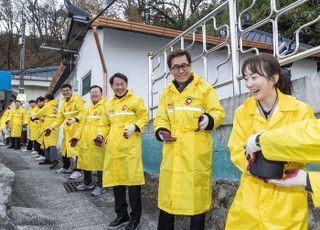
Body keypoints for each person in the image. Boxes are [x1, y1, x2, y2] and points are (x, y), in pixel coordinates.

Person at [226, 53, 315, 230]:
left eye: (254, 77)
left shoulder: (299, 110)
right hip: (251, 195)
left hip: (286, 197)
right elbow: (236, 149)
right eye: (246, 78)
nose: (249, 84)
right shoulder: (242, 112)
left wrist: (280, 161)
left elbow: (307, 147)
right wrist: (252, 168)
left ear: (273, 78)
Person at [154, 49, 226, 230]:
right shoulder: (166, 93)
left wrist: (208, 119)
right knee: (168, 199)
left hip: (196, 149)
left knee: (196, 200)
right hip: (173, 148)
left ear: (190, 66)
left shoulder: (204, 88)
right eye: (176, 67)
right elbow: (161, 118)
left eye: (184, 65)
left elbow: (218, 112)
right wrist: (162, 130)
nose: (181, 70)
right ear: (170, 70)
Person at [95, 73, 148, 230]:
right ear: (112, 87)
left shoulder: (136, 100)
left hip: (130, 149)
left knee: (133, 184)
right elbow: (104, 124)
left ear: (126, 84)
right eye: (116, 84)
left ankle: (135, 218)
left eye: (122, 83)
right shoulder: (108, 105)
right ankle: (121, 215)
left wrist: (135, 126)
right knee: (116, 183)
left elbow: (144, 117)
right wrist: (100, 135)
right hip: (113, 149)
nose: (119, 87)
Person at [245, 119, 320, 207]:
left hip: (288, 206)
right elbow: (236, 151)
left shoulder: (301, 109)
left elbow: (312, 137)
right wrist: (308, 180)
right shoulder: (243, 111)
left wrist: (262, 141)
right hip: (249, 201)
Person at [71, 85, 107, 196]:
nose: (94, 94)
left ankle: (101, 186)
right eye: (92, 93)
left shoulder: (106, 106)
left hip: (98, 140)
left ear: (101, 94)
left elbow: (106, 124)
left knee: (100, 163)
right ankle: (88, 183)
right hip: (85, 140)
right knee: (85, 161)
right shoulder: (88, 108)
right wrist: (76, 137)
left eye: (96, 92)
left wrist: (102, 136)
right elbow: (82, 125)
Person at [45, 83, 85, 179]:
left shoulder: (77, 100)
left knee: (76, 150)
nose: (65, 92)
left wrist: (75, 119)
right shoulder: (63, 104)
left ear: (71, 90)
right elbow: (60, 118)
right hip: (67, 130)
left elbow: (83, 112)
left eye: (67, 90)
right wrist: (51, 127)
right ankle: (65, 166)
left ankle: (78, 170)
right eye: (63, 91)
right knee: (65, 148)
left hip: (76, 129)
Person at [32, 95, 60, 168]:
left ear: (47, 100)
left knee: (51, 144)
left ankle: (55, 160)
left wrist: (33, 117)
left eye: (44, 100)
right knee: (46, 143)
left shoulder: (47, 106)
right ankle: (47, 159)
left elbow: (39, 113)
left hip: (49, 127)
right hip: (52, 127)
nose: (44, 101)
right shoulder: (54, 106)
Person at [32, 97, 46, 161]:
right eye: (38, 102)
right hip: (39, 127)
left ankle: (43, 155)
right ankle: (40, 153)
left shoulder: (46, 108)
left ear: (44, 101)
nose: (39, 103)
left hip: (45, 127)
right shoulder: (37, 108)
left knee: (43, 142)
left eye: (40, 102)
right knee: (39, 141)